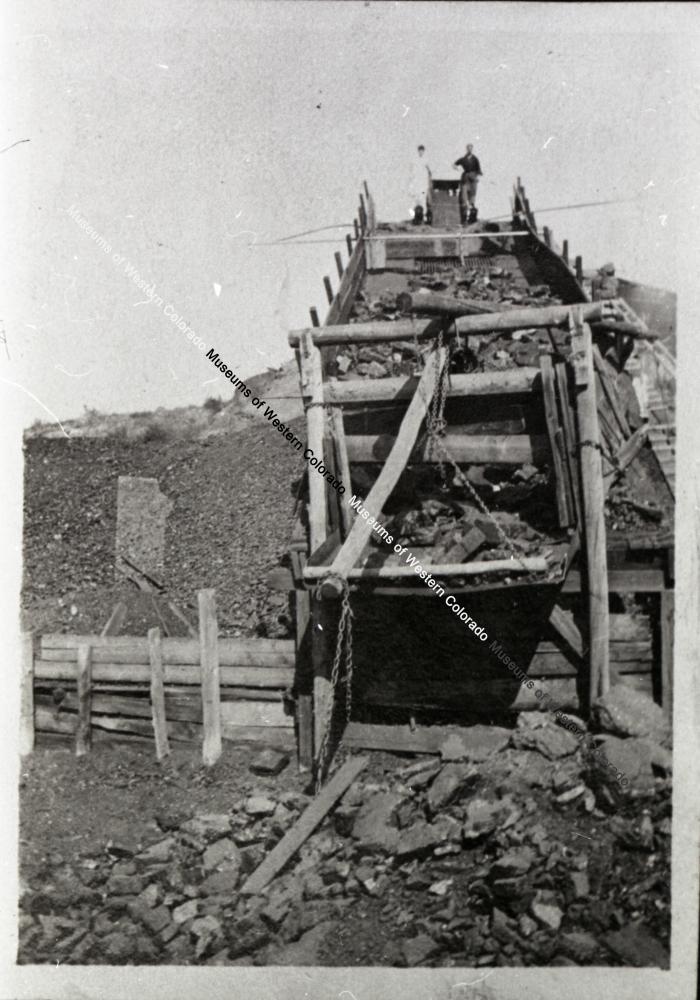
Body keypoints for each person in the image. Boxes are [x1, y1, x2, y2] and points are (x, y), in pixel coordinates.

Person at [453, 144, 482, 223]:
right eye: (468, 148)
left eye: (471, 148)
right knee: (464, 199)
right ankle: (464, 218)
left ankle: (472, 218)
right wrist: (458, 169)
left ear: (472, 149)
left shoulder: (475, 159)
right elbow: (454, 164)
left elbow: (479, 170)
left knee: (472, 198)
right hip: (465, 179)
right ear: (466, 149)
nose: (469, 150)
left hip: (473, 179)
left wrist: (476, 177)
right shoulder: (463, 159)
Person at [408, 144, 432, 224]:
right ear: (418, 151)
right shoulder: (414, 160)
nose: (421, 152)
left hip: (423, 183)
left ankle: (423, 218)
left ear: (423, 151)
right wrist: (412, 182)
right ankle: (413, 217)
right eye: (420, 150)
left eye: (422, 150)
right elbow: (411, 171)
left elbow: (429, 170)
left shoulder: (425, 160)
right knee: (415, 200)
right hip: (416, 183)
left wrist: (429, 178)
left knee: (423, 199)